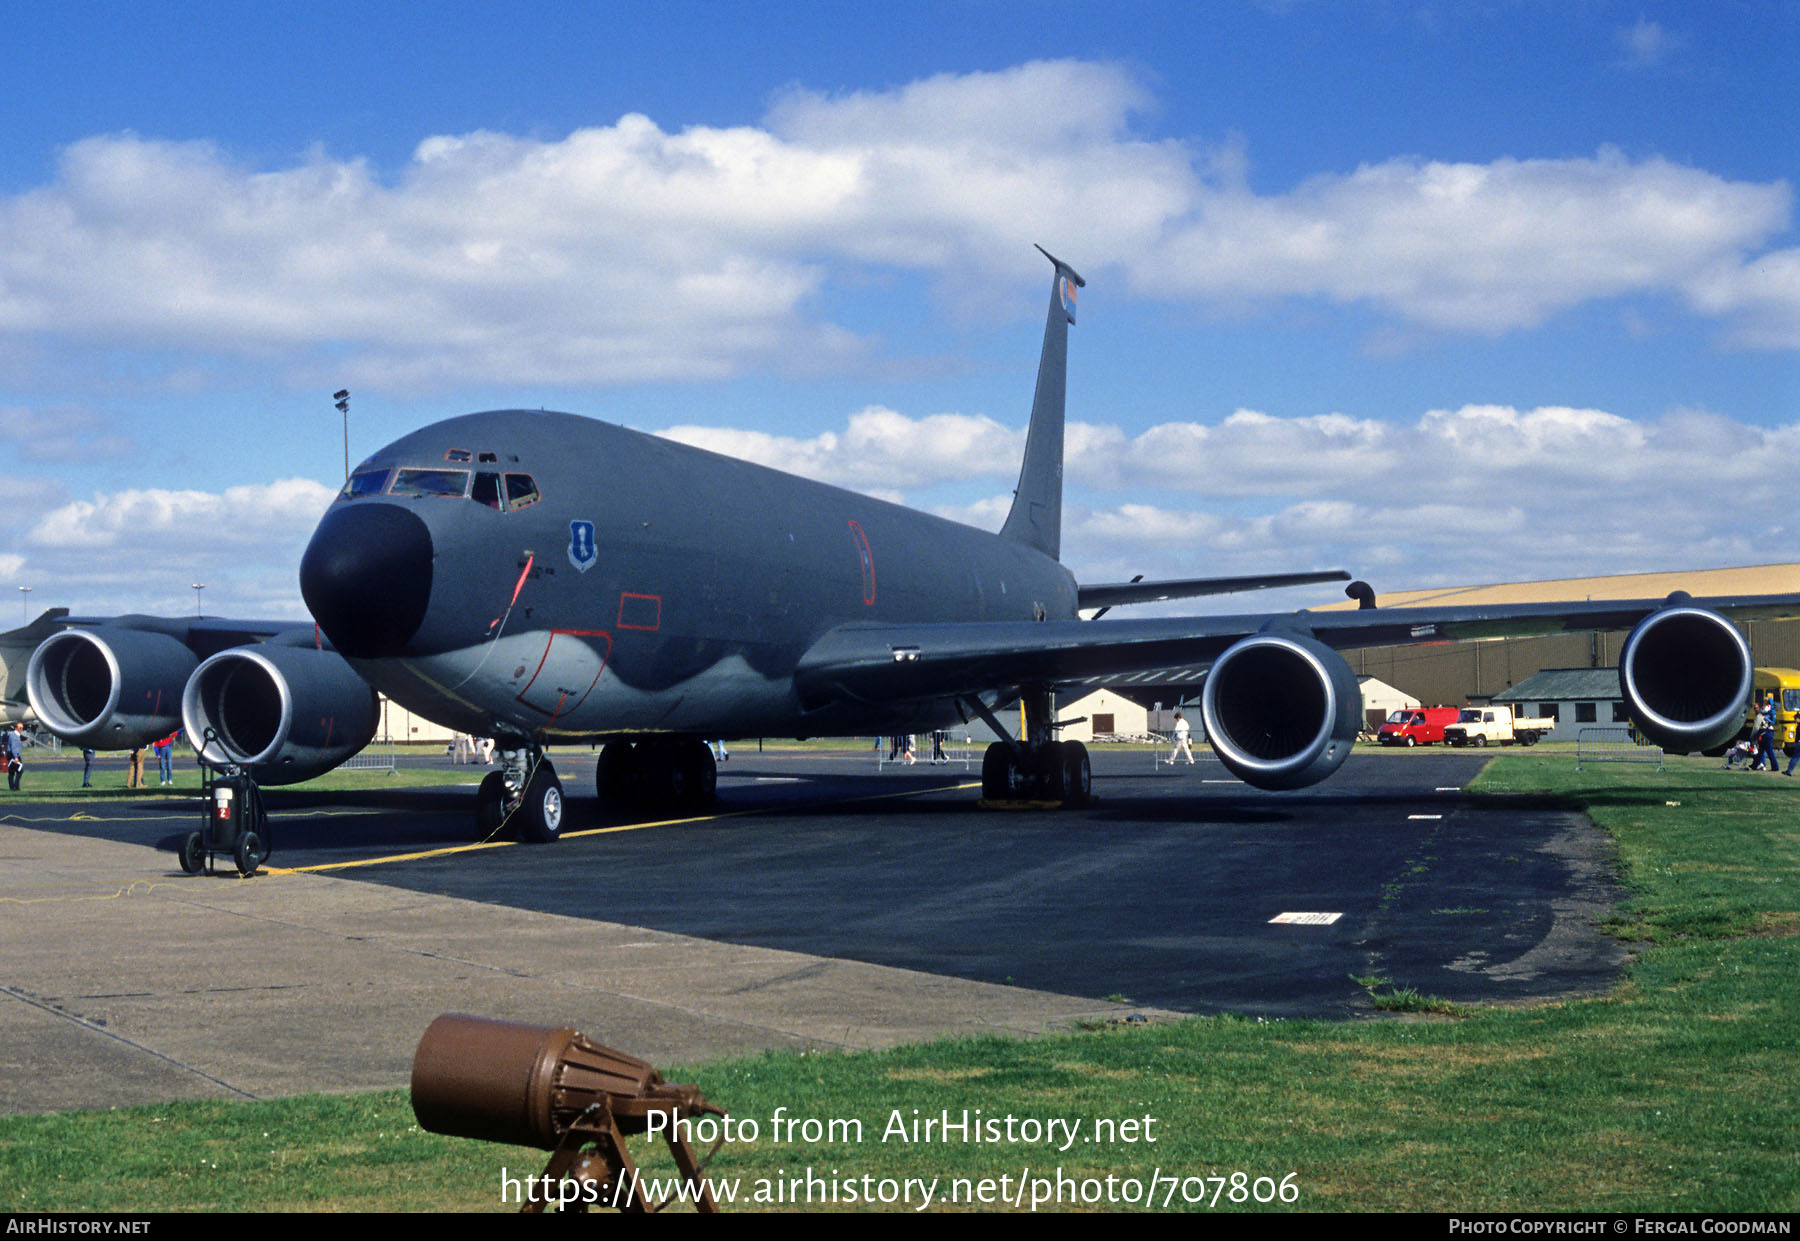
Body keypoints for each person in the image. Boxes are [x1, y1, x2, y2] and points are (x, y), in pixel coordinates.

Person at [4, 722, 24, 791]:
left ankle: (12, 787)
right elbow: (14, 747)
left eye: (22, 728)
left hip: (13, 754)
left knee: (12, 772)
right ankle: (15, 786)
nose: (21, 729)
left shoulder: (15, 735)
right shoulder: (14, 736)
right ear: (16, 728)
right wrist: (16, 757)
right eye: (20, 728)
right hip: (13, 755)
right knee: (20, 771)